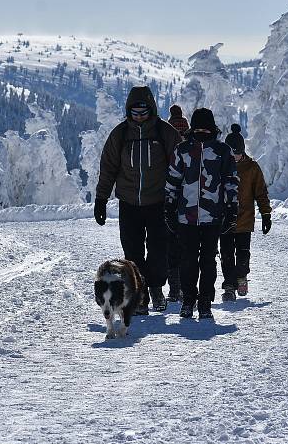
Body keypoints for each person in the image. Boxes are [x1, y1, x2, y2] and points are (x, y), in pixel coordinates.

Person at [94, 86, 181, 314]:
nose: (139, 117)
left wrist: (180, 197)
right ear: (128, 112)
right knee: (132, 251)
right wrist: (101, 199)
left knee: (158, 250)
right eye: (135, 113)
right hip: (129, 202)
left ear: (151, 109)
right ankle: (140, 296)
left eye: (143, 112)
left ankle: (156, 289)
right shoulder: (120, 134)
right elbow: (108, 168)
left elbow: (181, 166)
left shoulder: (165, 133)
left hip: (158, 201)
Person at [165, 108, 239, 319]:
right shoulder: (183, 150)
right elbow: (172, 180)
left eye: (206, 128)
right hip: (186, 217)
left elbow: (231, 181)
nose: (202, 132)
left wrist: (232, 210)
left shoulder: (222, 151)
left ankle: (205, 301)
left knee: (208, 260)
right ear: (192, 128)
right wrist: (169, 208)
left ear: (212, 128)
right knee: (187, 260)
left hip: (213, 216)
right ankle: (188, 300)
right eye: (198, 128)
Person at [220, 124, 272, 301]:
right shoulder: (219, 166)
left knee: (242, 253)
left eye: (236, 153)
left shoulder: (251, 168)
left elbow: (261, 192)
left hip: (244, 220)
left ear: (242, 151)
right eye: (230, 153)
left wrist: (265, 214)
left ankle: (241, 277)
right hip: (224, 221)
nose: (233, 157)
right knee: (226, 254)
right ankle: (229, 286)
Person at [165, 104, 190, 301]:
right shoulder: (189, 137)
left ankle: (174, 289)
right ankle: (186, 286)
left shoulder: (167, 135)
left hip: (171, 195)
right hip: (189, 197)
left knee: (171, 243)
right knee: (187, 244)